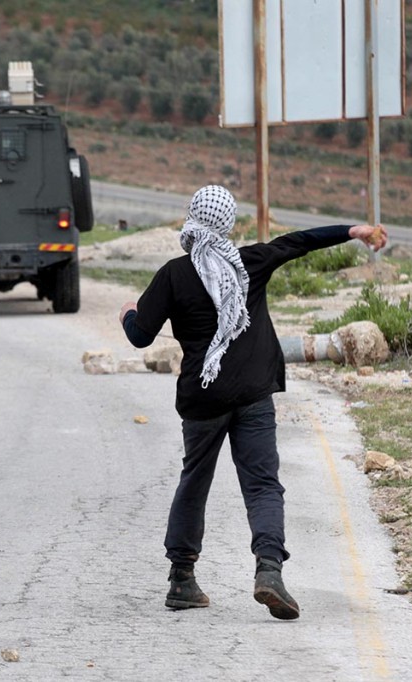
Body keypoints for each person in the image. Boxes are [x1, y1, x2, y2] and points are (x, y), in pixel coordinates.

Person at [118, 185, 387, 620]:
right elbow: (298, 242)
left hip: (203, 399)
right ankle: (269, 571)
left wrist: (128, 311)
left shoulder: (173, 274)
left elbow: (139, 336)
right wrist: (353, 230)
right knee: (262, 485)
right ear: (228, 224)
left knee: (194, 483)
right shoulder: (249, 262)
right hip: (254, 392)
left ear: (192, 217)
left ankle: (181, 580)